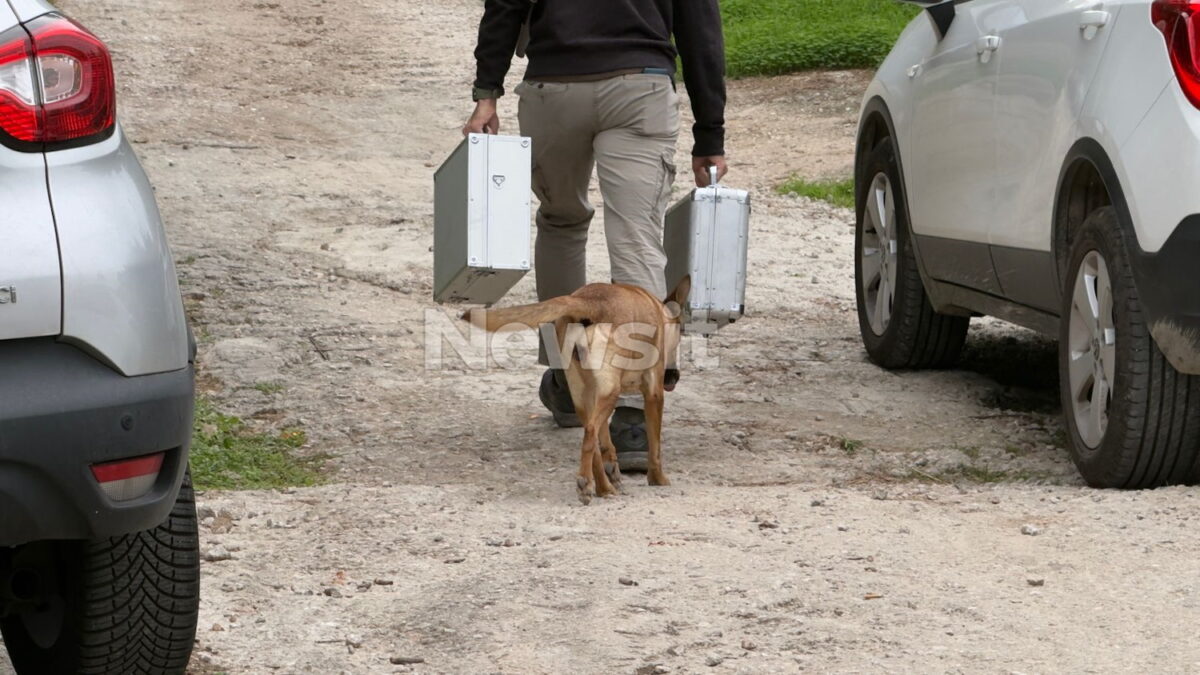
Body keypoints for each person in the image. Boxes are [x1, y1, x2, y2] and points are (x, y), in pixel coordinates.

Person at [464, 0, 728, 471]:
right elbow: (699, 27)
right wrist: (710, 132)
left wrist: (487, 93)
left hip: (553, 88)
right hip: (639, 86)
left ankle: (569, 381)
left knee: (561, 221)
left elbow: (505, 5)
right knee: (637, 239)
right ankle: (629, 417)